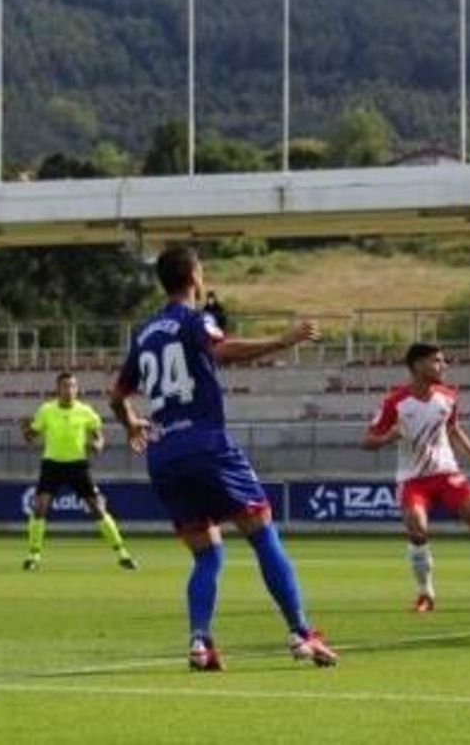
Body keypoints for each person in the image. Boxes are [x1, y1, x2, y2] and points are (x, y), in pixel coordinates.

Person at [110, 245, 336, 671]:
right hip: (206, 445)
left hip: (165, 455)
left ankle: (200, 642)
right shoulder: (195, 320)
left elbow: (116, 396)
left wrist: (131, 424)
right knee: (262, 534)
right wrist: (282, 340)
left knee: (208, 555)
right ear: (195, 275)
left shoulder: (143, 333)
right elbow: (221, 350)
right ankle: (302, 634)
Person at [363, 343, 470, 613]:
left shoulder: (448, 396)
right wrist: (387, 437)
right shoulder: (395, 402)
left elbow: (454, 429)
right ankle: (426, 594)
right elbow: (367, 441)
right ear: (417, 365)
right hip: (413, 479)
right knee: (417, 531)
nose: (444, 366)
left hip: (447, 473)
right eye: (437, 361)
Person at [19, 371, 135, 572]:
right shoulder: (46, 410)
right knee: (39, 508)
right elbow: (32, 436)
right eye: (65, 386)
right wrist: (26, 431)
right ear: (58, 389)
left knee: (97, 509)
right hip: (52, 464)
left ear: (77, 389)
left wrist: (98, 444)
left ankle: (122, 553)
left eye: (73, 386)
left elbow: (99, 436)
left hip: (78, 466)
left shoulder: (86, 411)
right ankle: (33, 556)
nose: (69, 390)